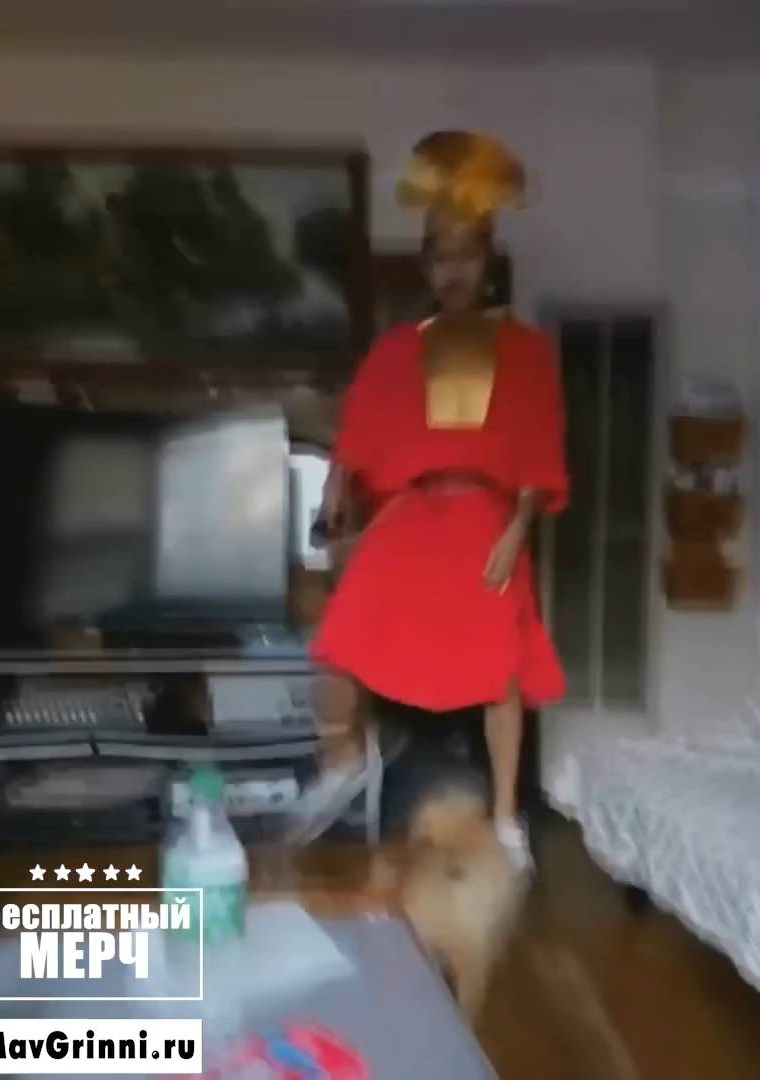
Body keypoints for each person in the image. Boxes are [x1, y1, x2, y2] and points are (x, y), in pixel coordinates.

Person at [293, 131, 568, 873]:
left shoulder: (524, 351)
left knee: (501, 669)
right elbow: (357, 437)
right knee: (339, 638)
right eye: (442, 255)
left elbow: (538, 450)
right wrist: (334, 495)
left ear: (487, 261)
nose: (455, 269)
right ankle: (342, 761)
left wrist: (517, 529)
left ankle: (506, 817)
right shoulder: (396, 350)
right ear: (427, 265)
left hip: (486, 519)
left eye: (467, 254)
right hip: (411, 516)